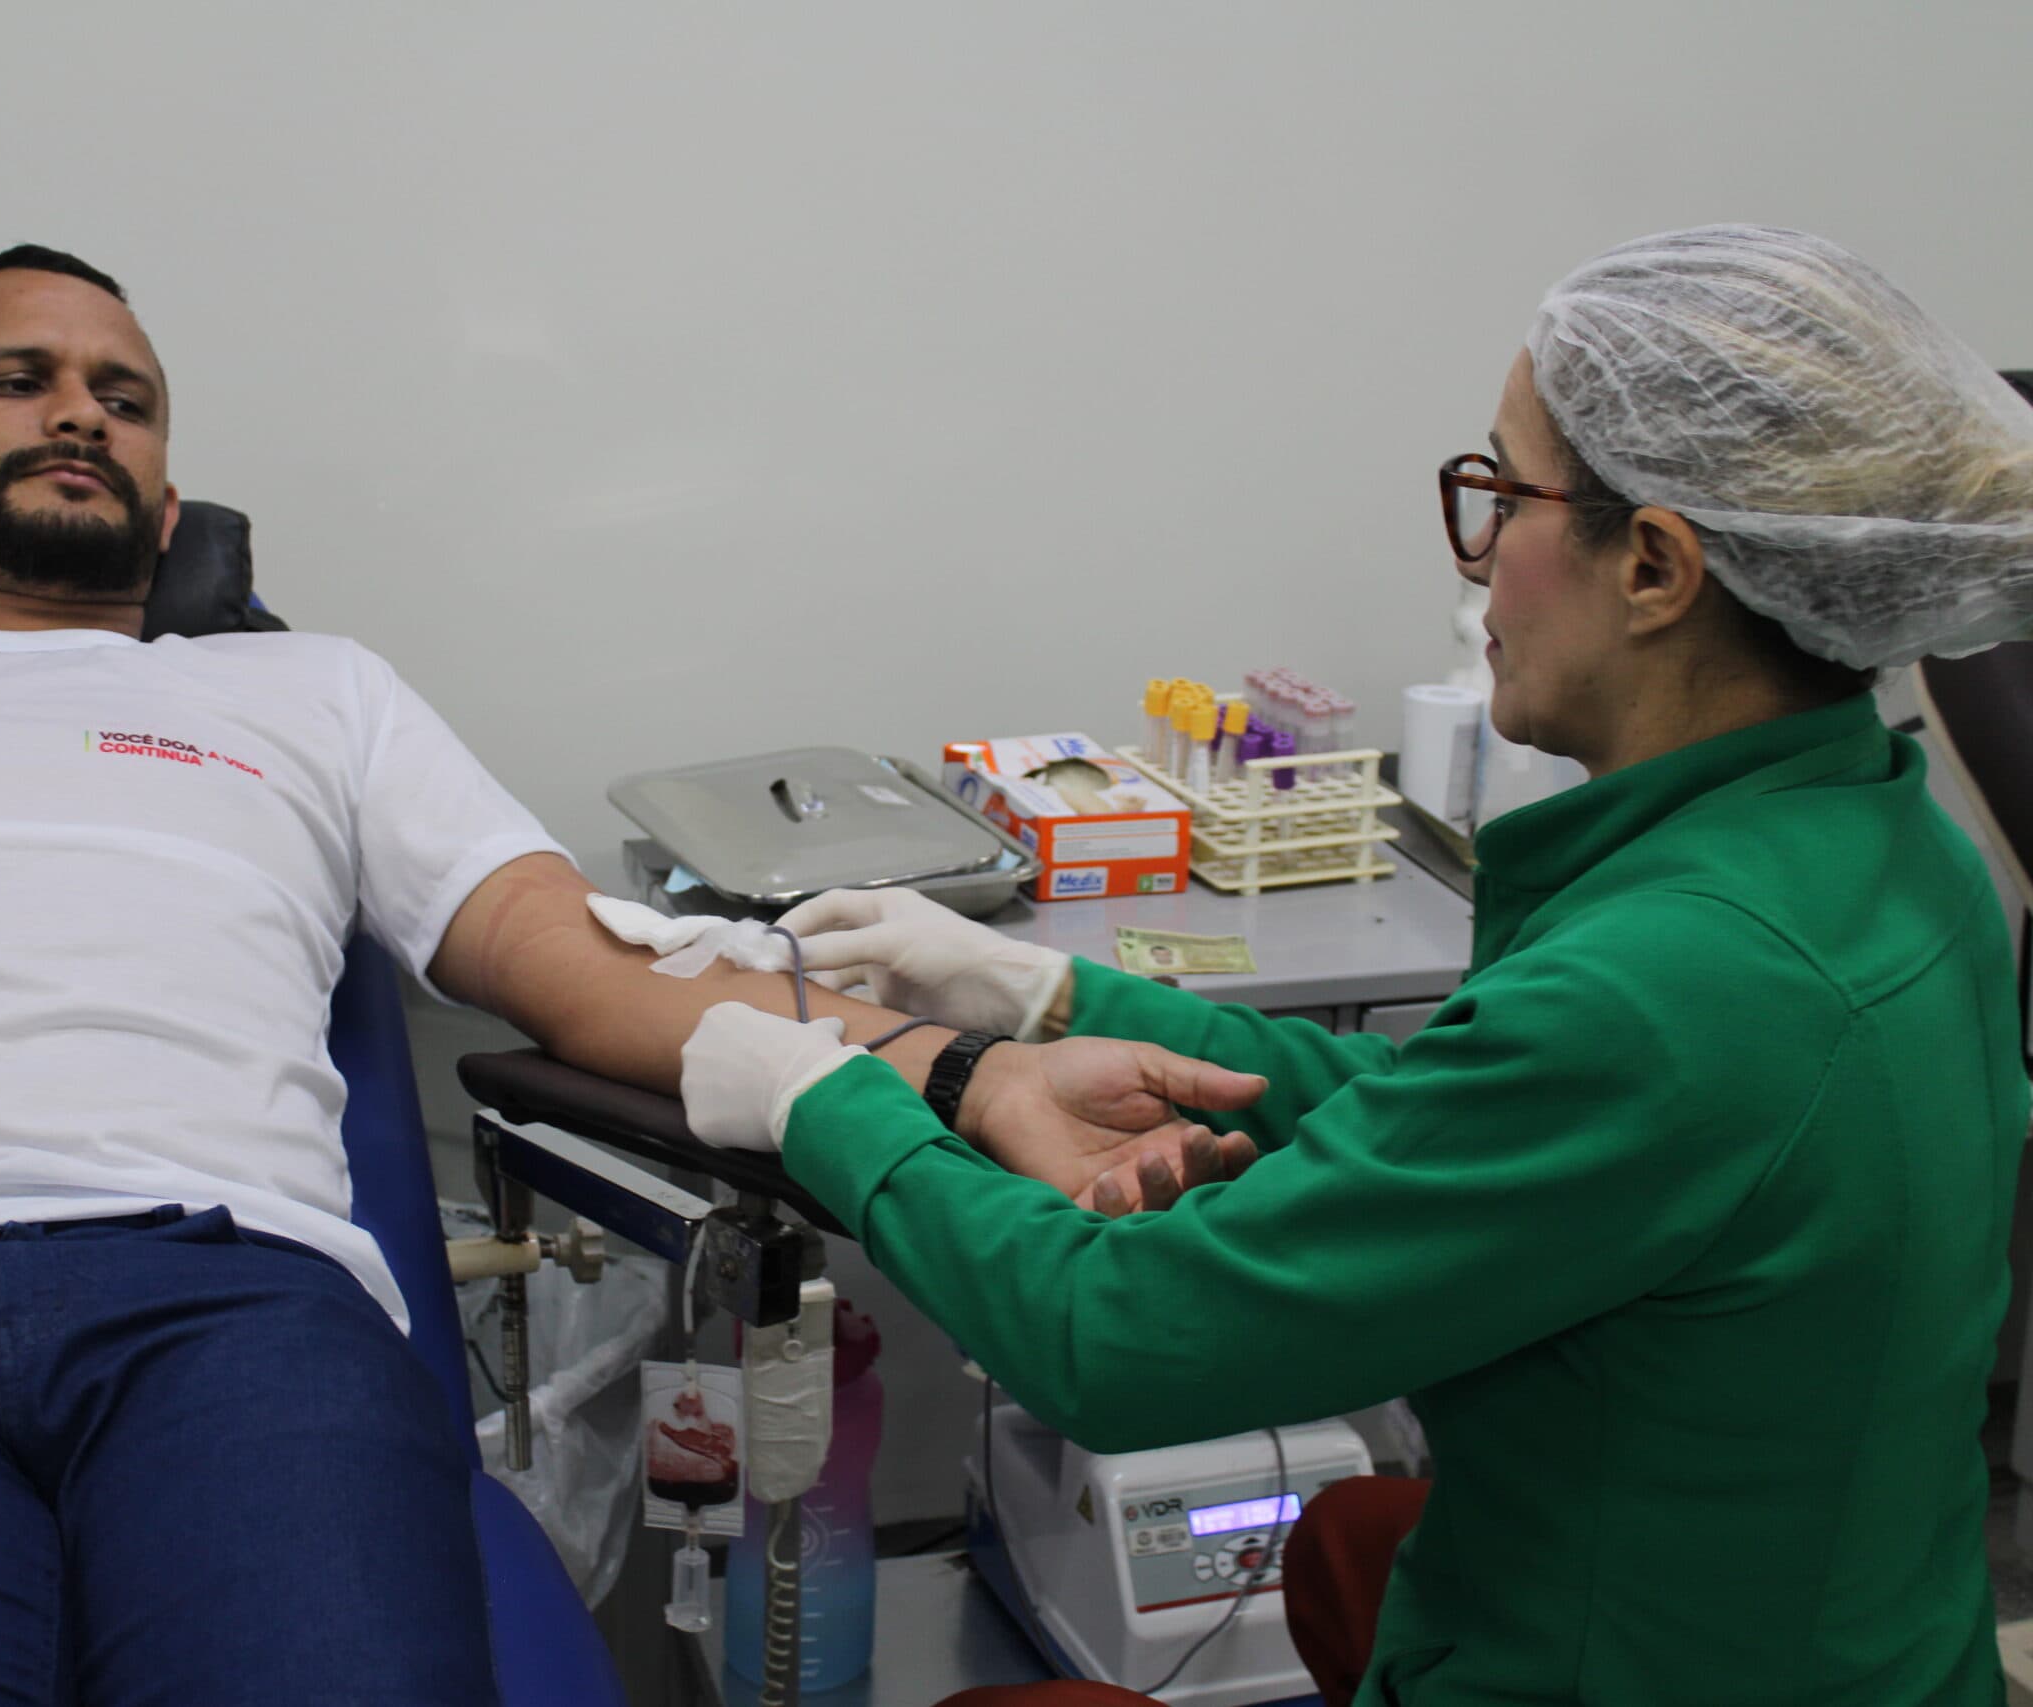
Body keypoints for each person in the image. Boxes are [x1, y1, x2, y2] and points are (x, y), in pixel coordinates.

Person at [0, 245, 1231, 1705]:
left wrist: (971, 1069)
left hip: (234, 1319)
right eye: (20, 379)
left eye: (127, 399)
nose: (82, 411)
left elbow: (594, 969)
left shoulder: (311, 694)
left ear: (167, 506)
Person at [675, 226, 2033, 1706]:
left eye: (1504, 494)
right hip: (1856, 1640)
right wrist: (1043, 996)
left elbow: (1109, 1337)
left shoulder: (1681, 987)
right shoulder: (1889, 845)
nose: (1476, 552)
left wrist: (828, 1101)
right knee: (1349, 1541)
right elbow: (1475, 1109)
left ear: (1653, 565)